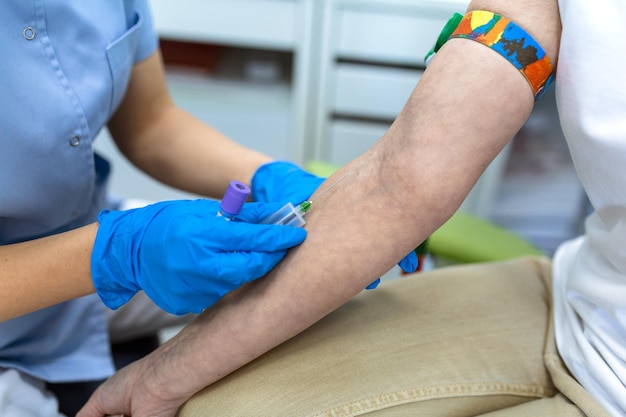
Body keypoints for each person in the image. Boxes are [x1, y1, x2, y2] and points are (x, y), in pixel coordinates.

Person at [76, 0, 626, 415]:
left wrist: (266, 176)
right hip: (581, 301)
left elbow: (401, 184)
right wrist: (156, 369)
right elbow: (403, 179)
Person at [0, 1, 333, 414]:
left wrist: (265, 174)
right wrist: (121, 251)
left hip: (78, 242)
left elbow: (151, 123)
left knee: (283, 269)